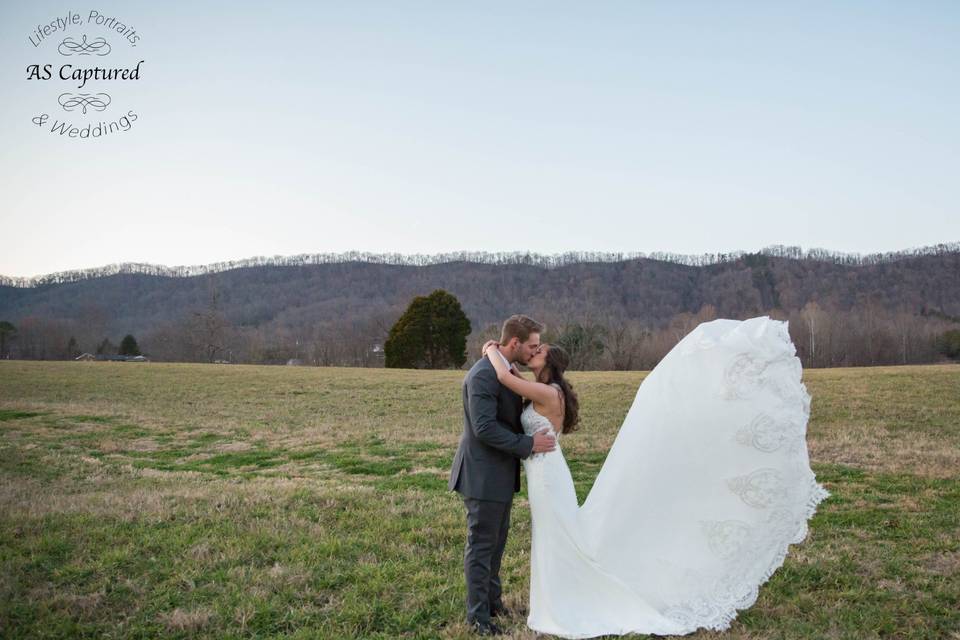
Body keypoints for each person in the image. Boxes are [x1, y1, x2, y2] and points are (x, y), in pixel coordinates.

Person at [483, 316, 830, 638]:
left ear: (549, 363)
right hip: (545, 471)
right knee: (553, 535)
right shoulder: (545, 388)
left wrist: (490, 351)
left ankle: (563, 604)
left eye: (538, 351)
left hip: (547, 477)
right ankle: (555, 599)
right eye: (534, 347)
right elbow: (514, 380)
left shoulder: (548, 392)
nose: (534, 353)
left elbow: (504, 378)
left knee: (555, 535)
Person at [448, 314, 557, 636]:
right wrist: (528, 444)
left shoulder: (506, 369)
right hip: (482, 475)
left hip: (499, 475)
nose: (534, 351)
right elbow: (484, 428)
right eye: (532, 345)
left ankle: (494, 603)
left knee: (496, 545)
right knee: (481, 547)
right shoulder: (483, 376)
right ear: (514, 343)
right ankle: (478, 618)